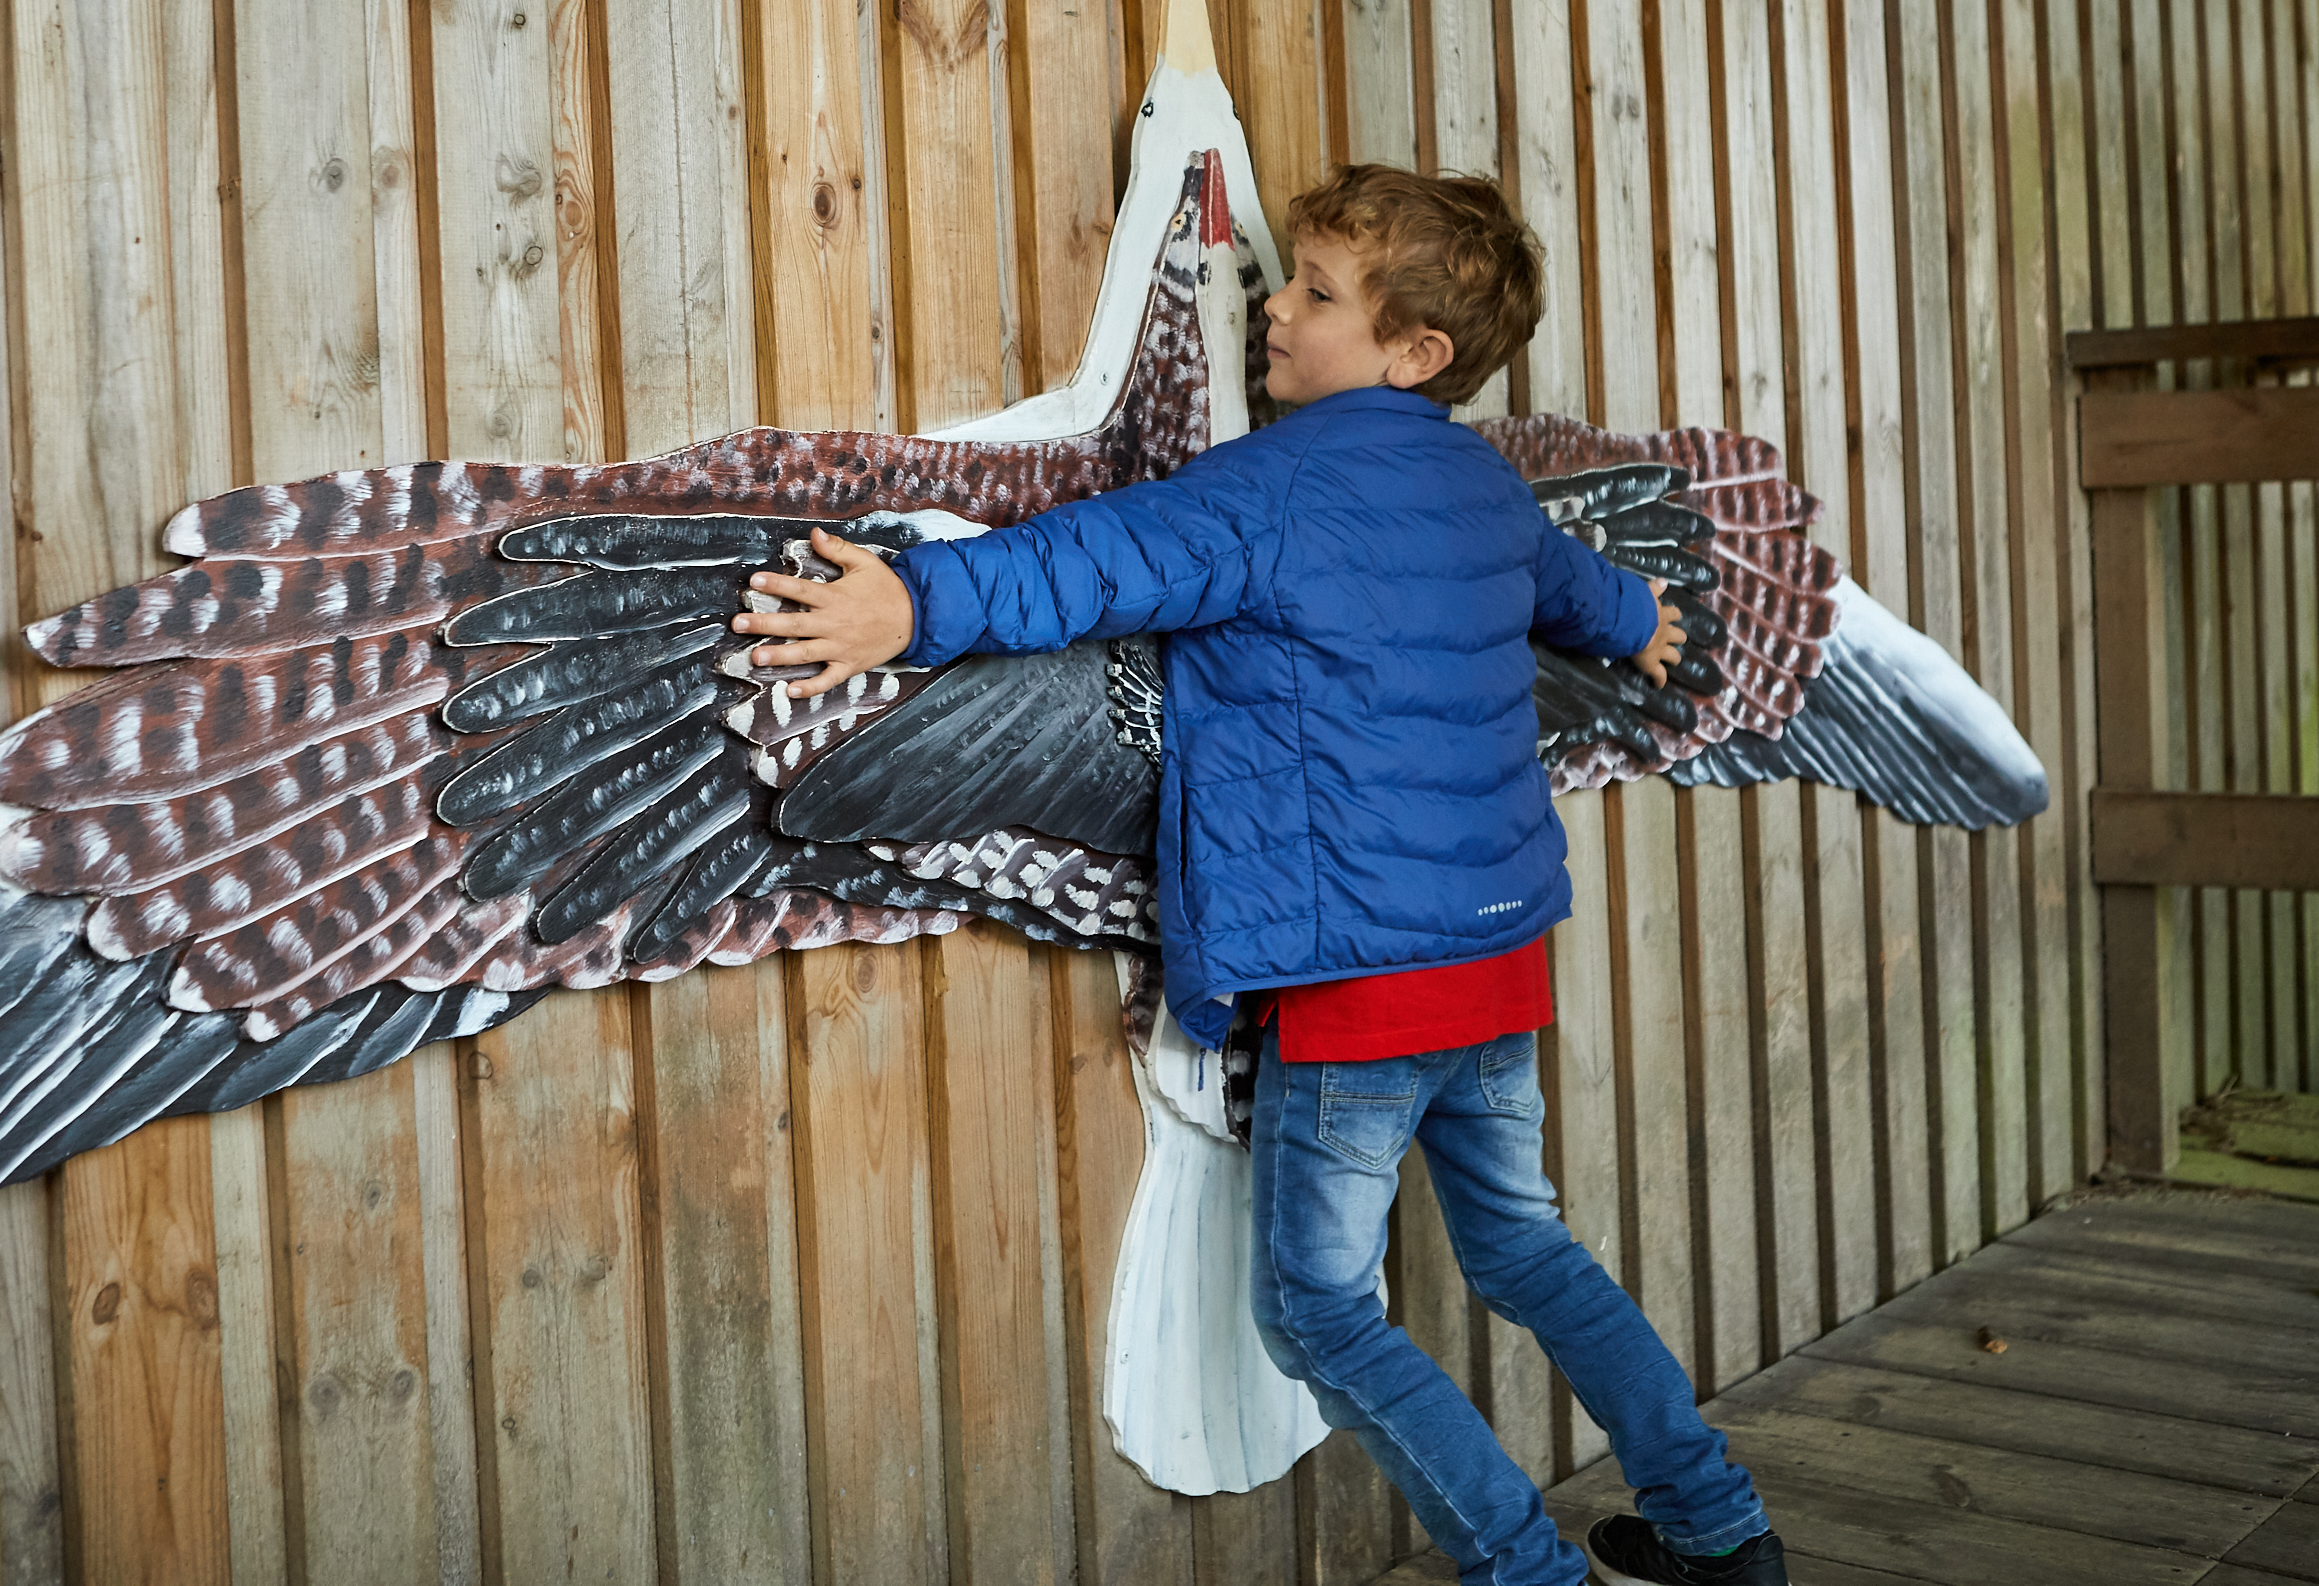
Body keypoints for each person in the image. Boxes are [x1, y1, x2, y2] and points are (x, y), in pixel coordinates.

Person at [732, 164, 1785, 1586]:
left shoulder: (1271, 492)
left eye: (1316, 292)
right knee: (1530, 1251)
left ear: (1413, 351)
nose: (1273, 308)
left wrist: (908, 602)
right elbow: (1568, 584)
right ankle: (1722, 1531)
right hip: (1494, 970)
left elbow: (1092, 560)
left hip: (1359, 990)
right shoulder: (1481, 486)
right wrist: (1640, 619)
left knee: (1321, 1313)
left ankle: (1525, 1574)